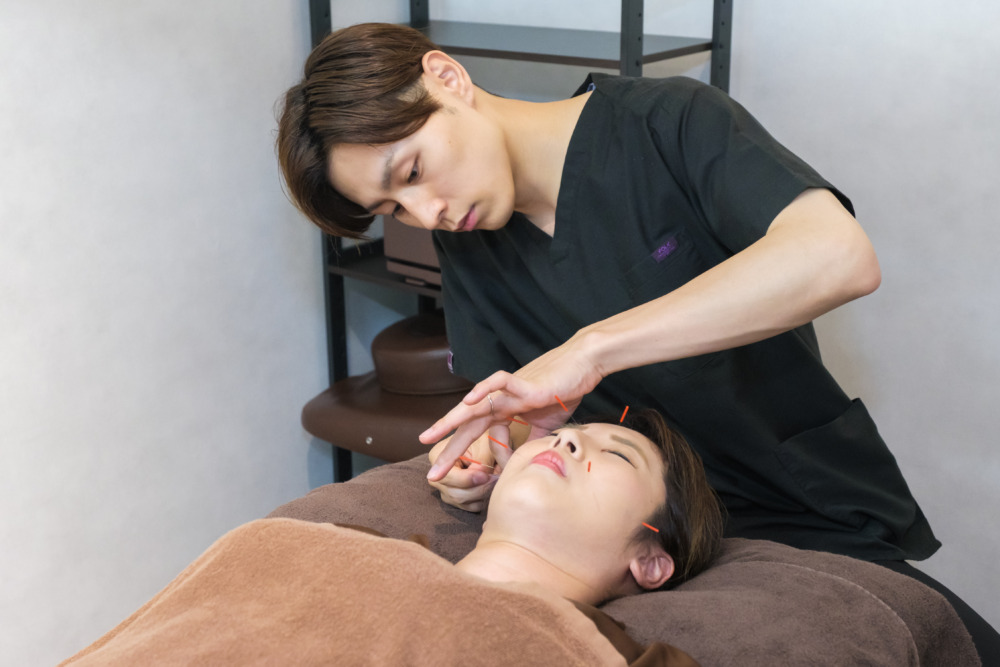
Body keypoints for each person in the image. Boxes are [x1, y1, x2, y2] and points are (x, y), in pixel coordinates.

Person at [275, 23, 999, 661]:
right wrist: (486, 457)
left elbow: (839, 257)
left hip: (793, 506)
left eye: (412, 172)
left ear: (447, 77)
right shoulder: (468, 239)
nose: (425, 211)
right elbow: (524, 406)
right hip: (627, 531)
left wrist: (592, 348)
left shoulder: (667, 122)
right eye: (393, 207)